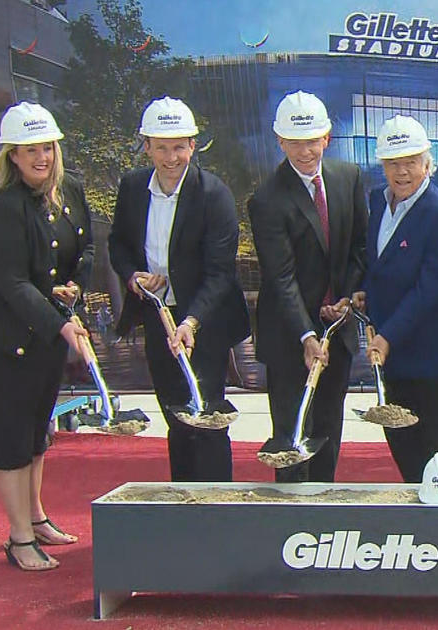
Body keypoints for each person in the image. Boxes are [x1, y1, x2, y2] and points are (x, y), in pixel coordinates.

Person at [0, 102, 92, 570]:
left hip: (42, 321)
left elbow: (80, 250)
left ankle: (37, 516)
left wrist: (71, 289)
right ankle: (19, 537)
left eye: (46, 147)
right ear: (11, 155)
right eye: (29, 150)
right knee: (8, 431)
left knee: (35, 427)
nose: (41, 157)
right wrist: (63, 324)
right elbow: (10, 283)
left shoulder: (68, 190)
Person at [108, 96, 250, 482]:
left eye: (179, 147)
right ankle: (184, 502)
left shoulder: (213, 195)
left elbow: (220, 272)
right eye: (161, 147)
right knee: (175, 414)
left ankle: (216, 507)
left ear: (192, 145)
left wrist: (190, 322)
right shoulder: (133, 187)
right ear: (147, 146)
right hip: (158, 319)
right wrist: (133, 277)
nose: (171, 158)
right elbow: (118, 244)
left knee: (207, 416)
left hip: (204, 322)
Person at [248, 91, 368, 482]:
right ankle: (292, 518)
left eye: (312, 141)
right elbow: (279, 277)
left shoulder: (348, 178)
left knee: (328, 432)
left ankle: (321, 518)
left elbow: (359, 250)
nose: (305, 151)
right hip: (289, 337)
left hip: (339, 331)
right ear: (280, 142)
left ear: (327, 138)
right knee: (293, 437)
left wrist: (347, 299)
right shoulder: (266, 199)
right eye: (295, 143)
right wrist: (306, 335)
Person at [363, 115, 438, 482]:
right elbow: (377, 263)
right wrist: (363, 293)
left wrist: (387, 335)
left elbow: (429, 290)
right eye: (393, 163)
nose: (402, 172)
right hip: (391, 358)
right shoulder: (378, 201)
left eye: (411, 162)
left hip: (429, 358)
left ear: (428, 163)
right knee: (406, 455)